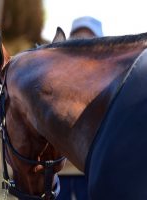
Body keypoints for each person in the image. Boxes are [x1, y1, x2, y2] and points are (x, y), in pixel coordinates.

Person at [57, 16, 103, 200]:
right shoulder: (56, 78)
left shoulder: (109, 81)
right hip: (58, 175)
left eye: (89, 39)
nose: (83, 45)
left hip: (93, 173)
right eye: (78, 39)